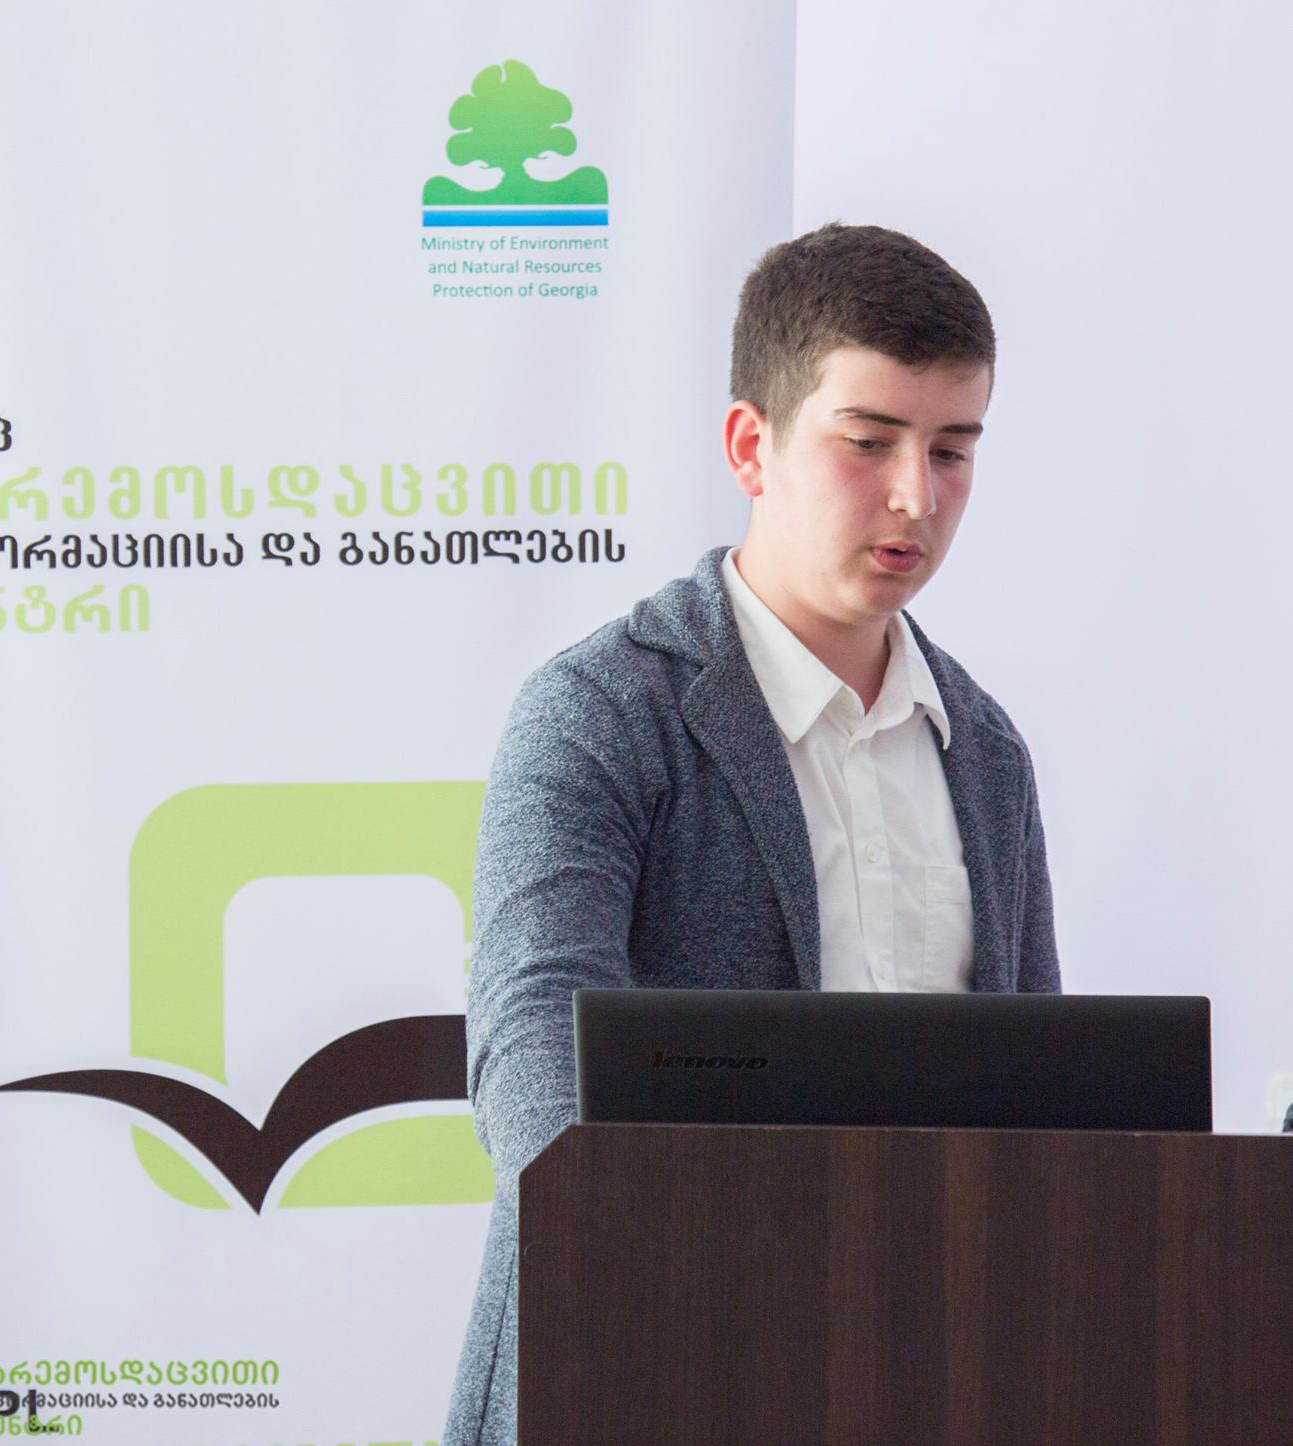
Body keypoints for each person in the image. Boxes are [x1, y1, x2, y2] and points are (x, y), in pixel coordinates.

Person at [442, 222, 1061, 1445]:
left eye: (951, 450)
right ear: (749, 446)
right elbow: (529, 1053)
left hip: (930, 1375)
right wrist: (696, 1277)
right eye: (867, 442)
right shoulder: (600, 711)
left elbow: (1047, 1105)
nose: (915, 495)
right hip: (644, 1362)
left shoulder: (985, 751)